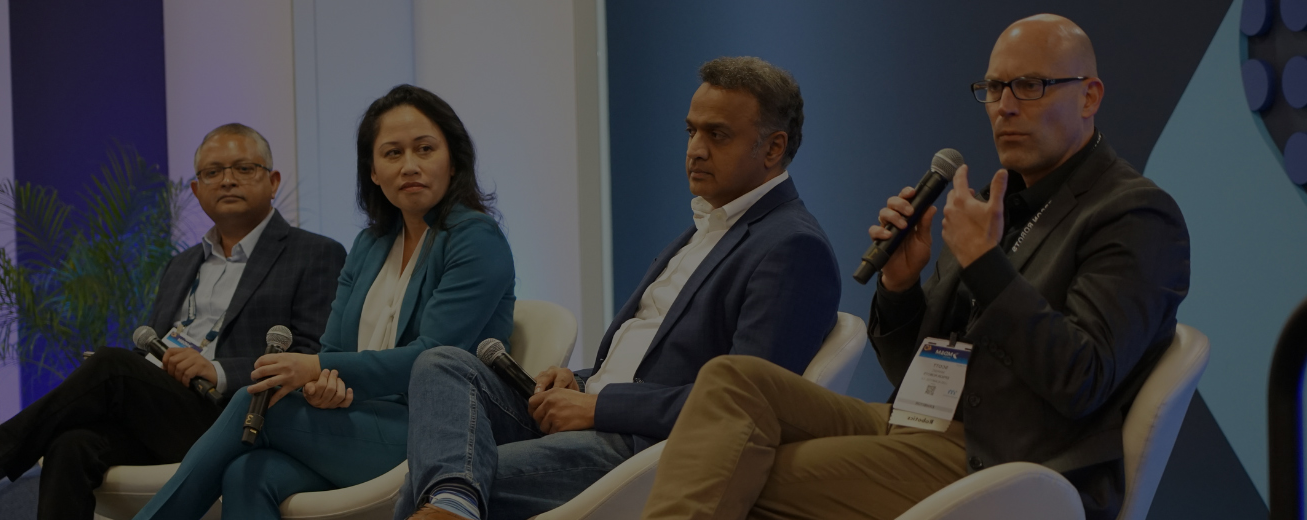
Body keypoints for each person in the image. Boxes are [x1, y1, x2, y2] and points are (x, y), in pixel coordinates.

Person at [638, 14, 1191, 520]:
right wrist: (901, 287)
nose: (1006, 106)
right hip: (915, 424)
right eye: (994, 88)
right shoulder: (982, 203)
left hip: (1007, 461)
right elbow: (916, 372)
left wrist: (985, 264)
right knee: (734, 380)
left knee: (742, 469)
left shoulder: (1134, 214)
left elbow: (1082, 380)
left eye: (1032, 86)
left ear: (1090, 96)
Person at [398, 56, 843, 520]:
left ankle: (451, 499)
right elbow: (644, 359)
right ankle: (454, 498)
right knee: (442, 365)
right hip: (593, 419)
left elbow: (745, 408)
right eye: (691, 131)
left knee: (431, 486)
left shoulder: (792, 247)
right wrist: (581, 382)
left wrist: (599, 407)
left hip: (640, 451)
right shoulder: (706, 227)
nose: (695, 149)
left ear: (773, 148)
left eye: (718, 134)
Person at [0, 123, 346, 520]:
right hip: (168, 412)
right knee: (71, 444)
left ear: (272, 181)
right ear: (195, 190)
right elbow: (150, 350)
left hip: (238, 416)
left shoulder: (315, 253)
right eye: (212, 173)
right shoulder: (181, 265)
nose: (227, 179)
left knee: (112, 367)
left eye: (243, 167)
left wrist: (217, 369)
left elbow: (313, 352)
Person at [134, 84, 517, 520]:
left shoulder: (475, 238)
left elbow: (431, 359)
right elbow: (333, 351)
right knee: (247, 471)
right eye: (392, 153)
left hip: (436, 434)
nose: (410, 165)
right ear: (373, 171)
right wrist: (323, 384)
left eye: (425, 149)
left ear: (453, 160)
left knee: (254, 403)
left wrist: (314, 369)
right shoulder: (371, 244)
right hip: (356, 424)